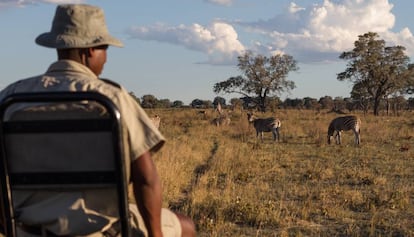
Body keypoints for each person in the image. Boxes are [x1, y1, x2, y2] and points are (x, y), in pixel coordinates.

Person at [0, 4, 195, 237]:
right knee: (186, 226)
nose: (106, 58)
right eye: (105, 49)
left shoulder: (11, 98)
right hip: (102, 230)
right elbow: (146, 178)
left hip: (26, 230)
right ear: (91, 50)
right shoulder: (112, 99)